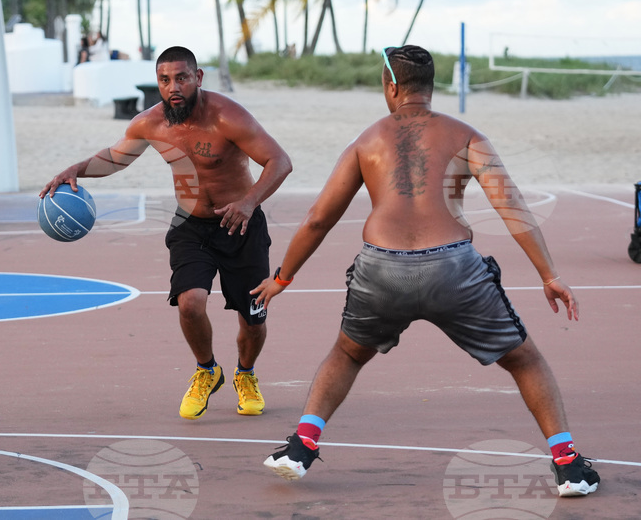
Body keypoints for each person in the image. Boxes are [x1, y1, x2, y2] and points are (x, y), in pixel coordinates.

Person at [253, 45, 599, 497]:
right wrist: (549, 276)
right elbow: (511, 206)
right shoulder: (466, 135)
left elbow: (318, 218)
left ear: (390, 86)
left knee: (346, 355)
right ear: (430, 88)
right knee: (525, 360)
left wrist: (282, 278)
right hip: (453, 268)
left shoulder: (366, 141)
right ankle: (569, 466)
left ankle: (300, 447)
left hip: (381, 269)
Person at [41, 46, 292, 420]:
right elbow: (116, 157)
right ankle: (207, 370)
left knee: (252, 317)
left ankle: (245, 373)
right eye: (164, 80)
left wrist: (250, 202)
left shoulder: (228, 117)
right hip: (191, 225)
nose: (173, 87)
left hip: (241, 224)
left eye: (181, 78)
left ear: (198, 77)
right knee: (190, 302)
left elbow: (279, 161)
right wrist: (75, 169)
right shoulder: (151, 122)